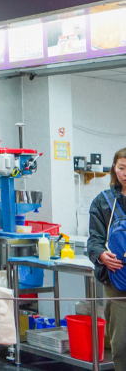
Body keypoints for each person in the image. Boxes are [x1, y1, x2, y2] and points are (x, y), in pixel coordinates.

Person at [87, 148, 126, 369]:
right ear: (114, 169)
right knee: (121, 344)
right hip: (117, 281)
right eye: (122, 168)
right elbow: (94, 240)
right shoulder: (102, 202)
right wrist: (101, 254)